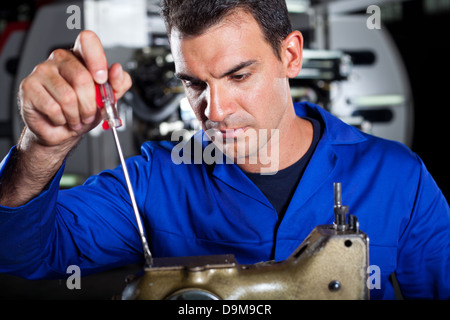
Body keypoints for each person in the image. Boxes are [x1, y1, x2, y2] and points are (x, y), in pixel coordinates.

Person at [0, 0, 448, 300]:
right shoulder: (155, 182)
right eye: (194, 83)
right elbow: (21, 253)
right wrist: (42, 146)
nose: (213, 110)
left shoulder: (399, 179)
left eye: (238, 76)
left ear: (291, 56)